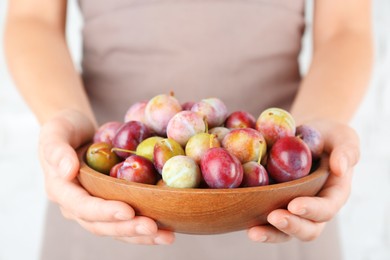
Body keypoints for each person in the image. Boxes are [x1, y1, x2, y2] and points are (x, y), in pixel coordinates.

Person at [4, 0, 373, 259]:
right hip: (110, 193)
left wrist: (313, 136)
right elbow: (32, 18)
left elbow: (346, 28)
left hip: (277, 196)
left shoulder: (273, 164)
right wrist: (66, 116)